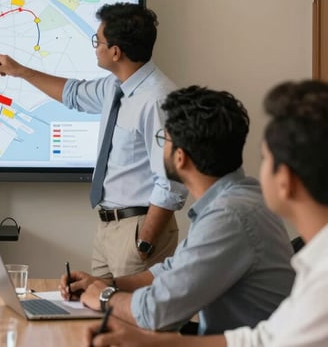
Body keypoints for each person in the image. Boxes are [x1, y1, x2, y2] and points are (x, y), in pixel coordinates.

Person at [84, 80, 328, 346]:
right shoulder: (231, 203)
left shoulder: (232, 214)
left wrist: (105, 296)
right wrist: (108, 284)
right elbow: (175, 271)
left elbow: (157, 311)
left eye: (266, 158)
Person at [0, 2, 185, 278]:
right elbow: (73, 94)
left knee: (133, 318)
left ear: (115, 52)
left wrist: (145, 241)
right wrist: (20, 71)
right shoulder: (115, 86)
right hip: (108, 227)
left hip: (138, 229)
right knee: (97, 312)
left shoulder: (157, 99)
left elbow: (172, 182)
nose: (95, 47)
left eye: (98, 41)